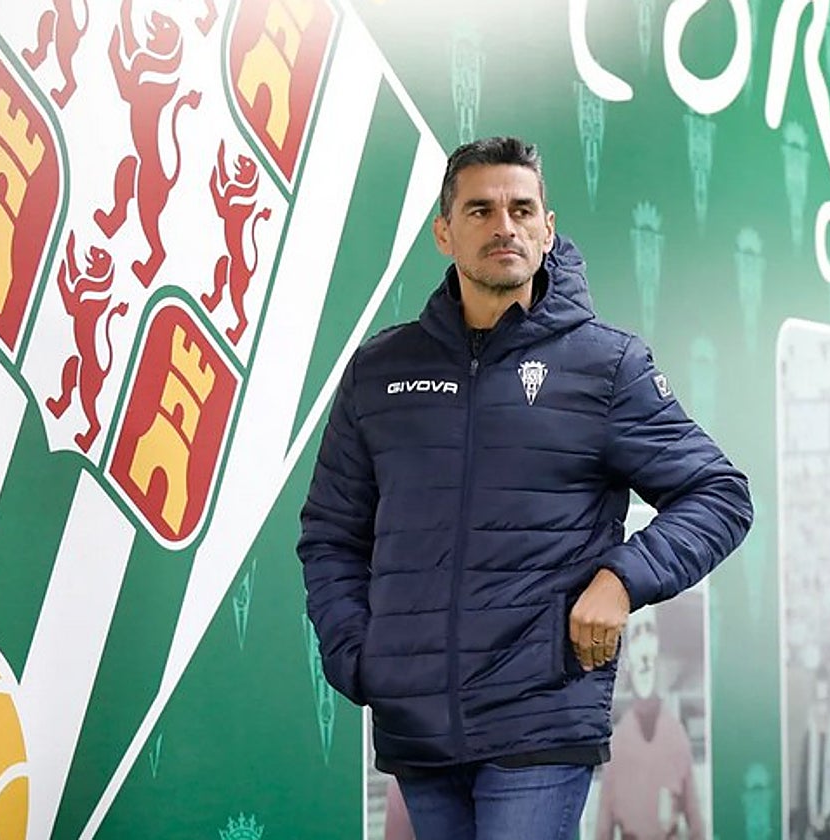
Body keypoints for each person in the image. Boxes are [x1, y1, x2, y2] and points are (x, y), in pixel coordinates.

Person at [298, 136, 753, 840]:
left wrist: (621, 580)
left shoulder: (606, 366)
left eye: (521, 209)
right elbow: (331, 535)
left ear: (547, 227)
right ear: (444, 233)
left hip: (541, 718)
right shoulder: (379, 372)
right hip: (417, 725)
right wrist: (360, 657)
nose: (504, 226)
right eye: (480, 210)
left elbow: (719, 495)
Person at [595, 605, 705, 840]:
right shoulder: (618, 744)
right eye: (636, 635)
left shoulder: (676, 737)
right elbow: (603, 829)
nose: (644, 651)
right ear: (627, 655)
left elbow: (696, 822)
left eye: (650, 632)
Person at [794, 666, 830, 840]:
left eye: (825, 701)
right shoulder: (808, 736)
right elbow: (803, 789)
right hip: (812, 826)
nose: (822, 708)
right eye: (818, 701)